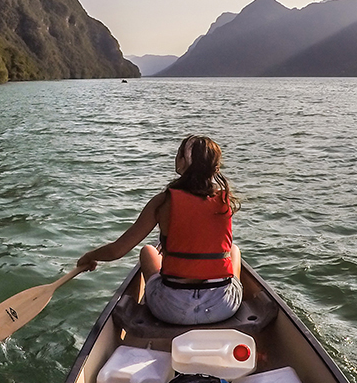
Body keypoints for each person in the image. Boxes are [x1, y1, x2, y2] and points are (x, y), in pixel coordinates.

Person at [77, 135, 243, 325]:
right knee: (234, 250)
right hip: (222, 308)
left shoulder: (163, 201)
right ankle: (226, 290)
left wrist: (90, 256)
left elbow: (117, 250)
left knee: (148, 251)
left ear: (182, 161)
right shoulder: (224, 201)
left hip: (171, 310)